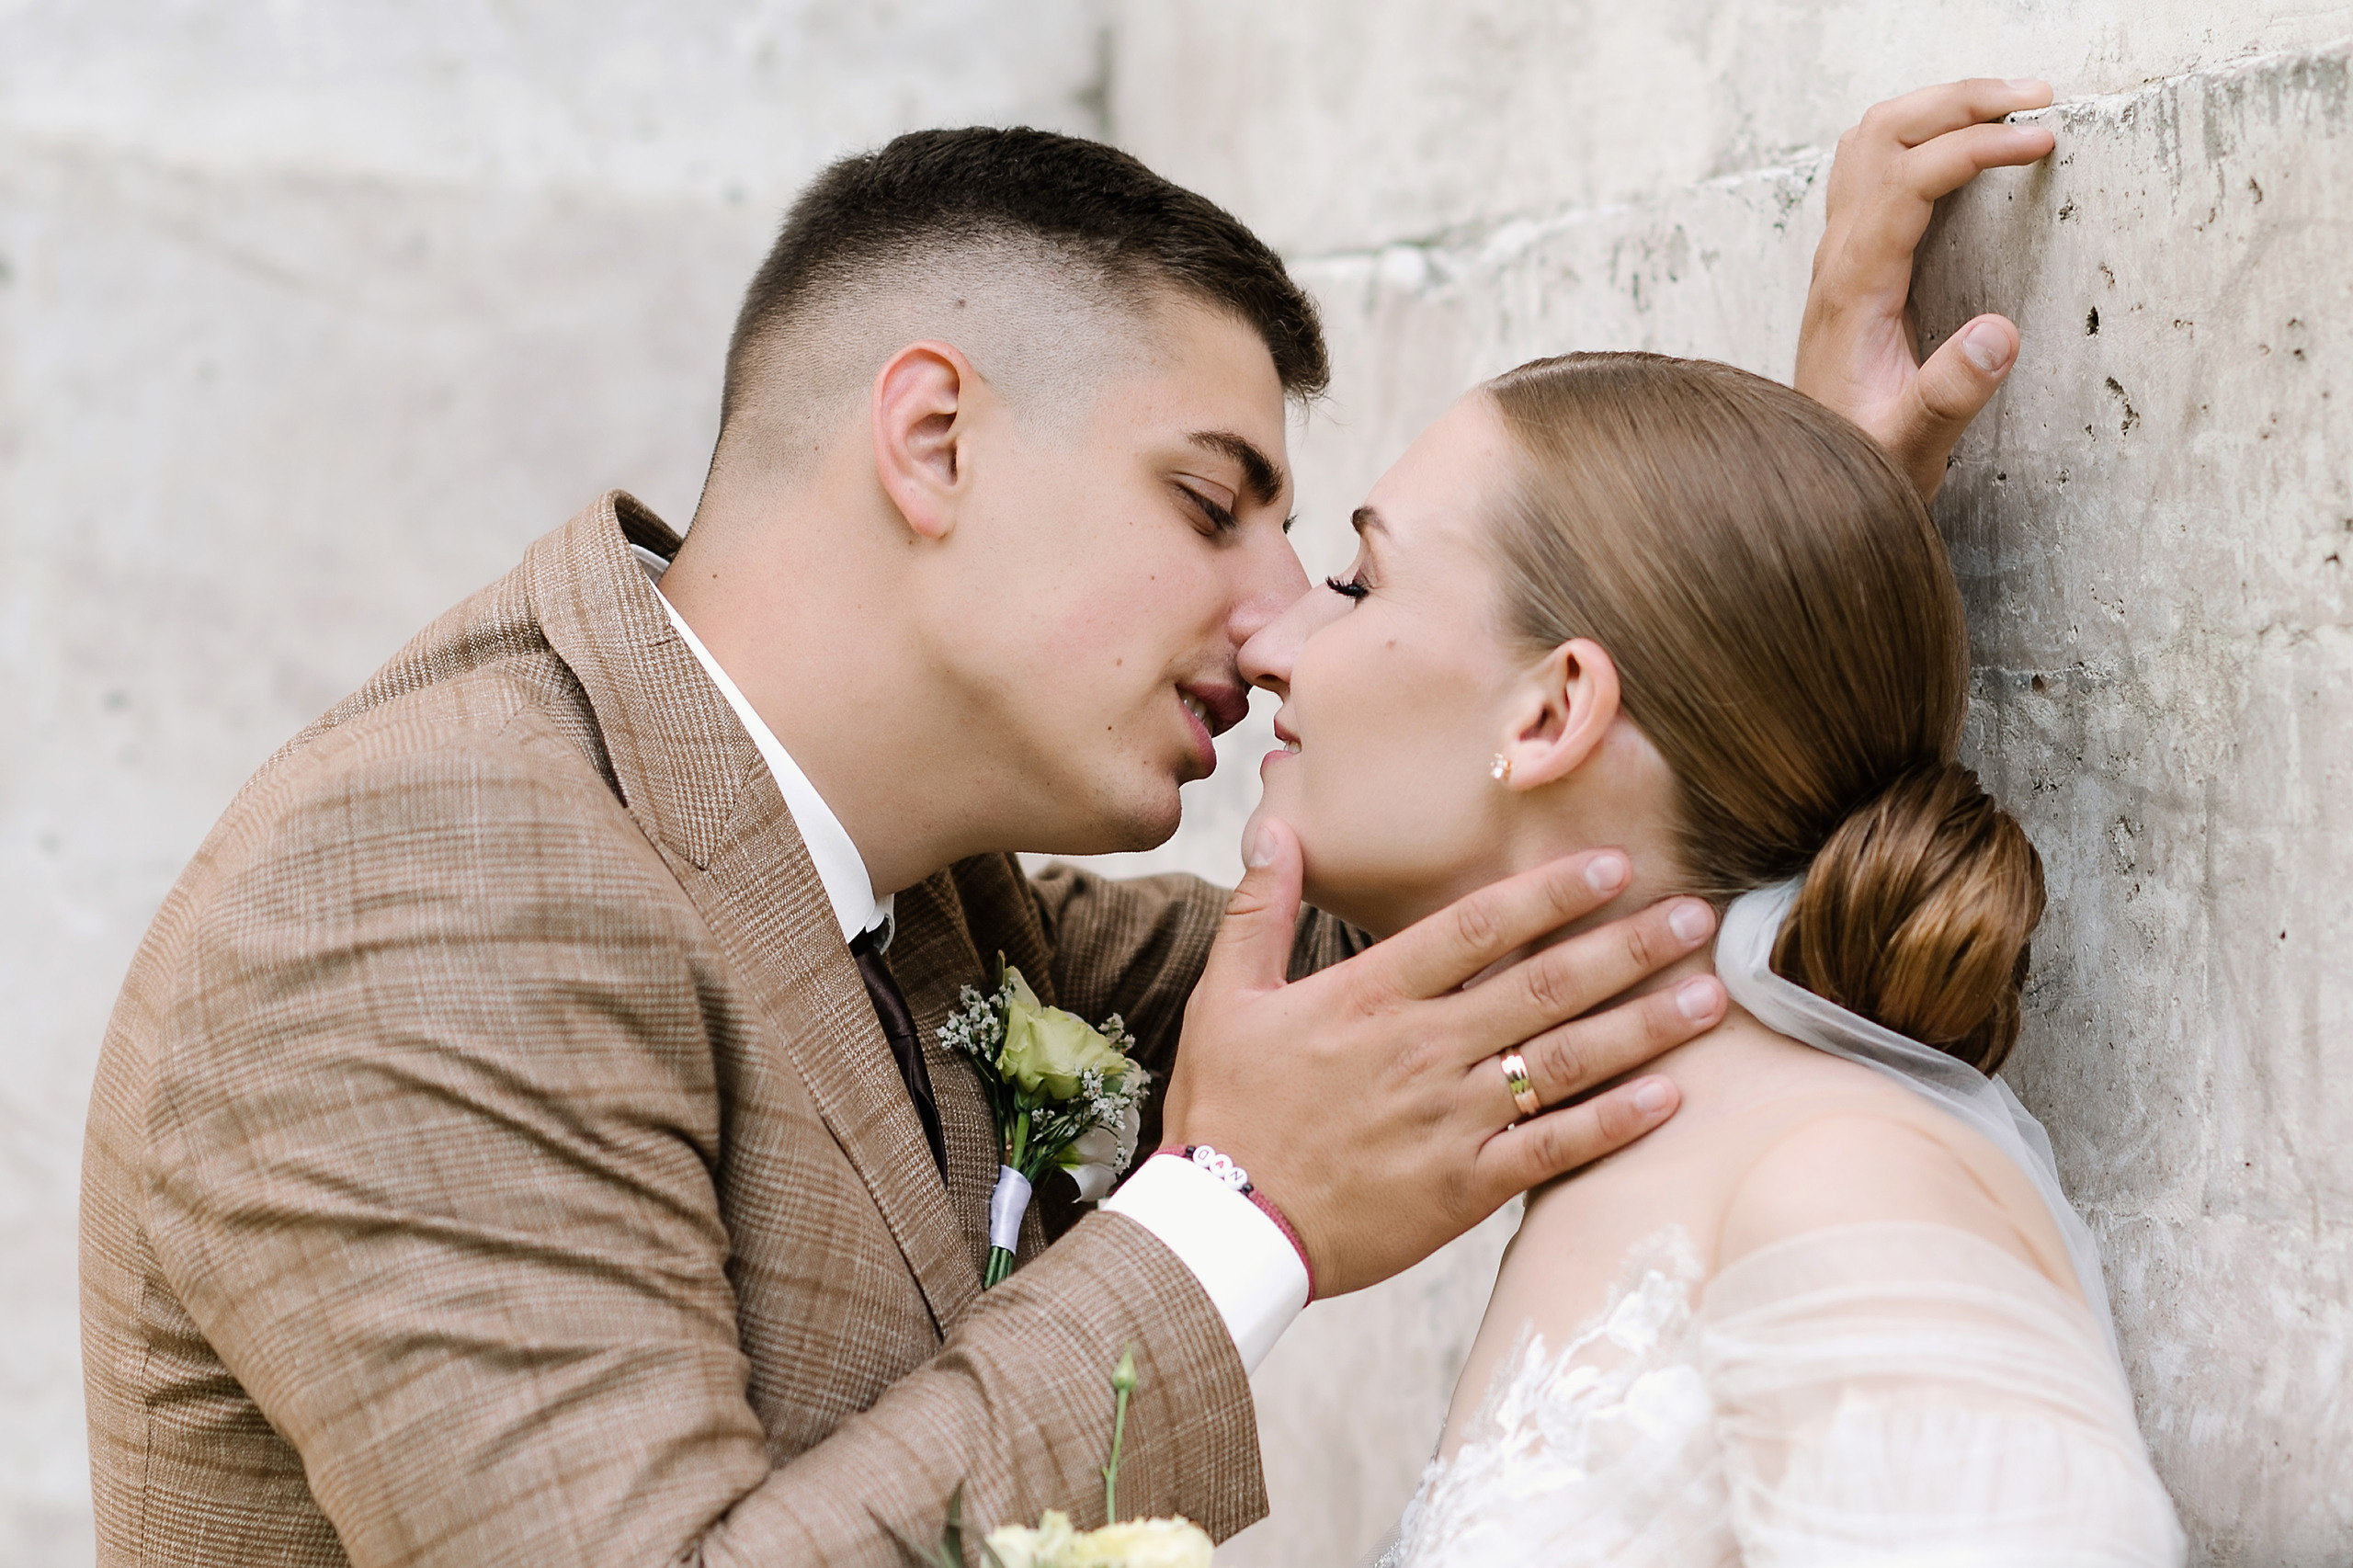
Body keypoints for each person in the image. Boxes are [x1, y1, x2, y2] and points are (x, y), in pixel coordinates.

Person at [81, 81, 2045, 1567]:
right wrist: (1234, 1215)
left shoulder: (927, 903)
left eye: (1319, 555)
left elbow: (1474, 946)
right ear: (933, 440)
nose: (1275, 620)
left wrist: (1750, 570)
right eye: (1210, 504)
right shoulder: (424, 885)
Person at [1214, 153, 2185, 1568]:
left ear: (1552, 711)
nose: (1274, 638)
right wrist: (1786, 537)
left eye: (1361, 582)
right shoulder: (1621, 1144)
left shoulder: (1842, 1187)